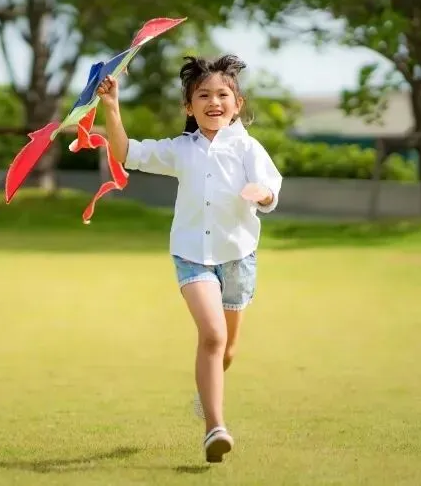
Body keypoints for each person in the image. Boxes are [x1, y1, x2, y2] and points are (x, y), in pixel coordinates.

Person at [96, 54, 282, 464]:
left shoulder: (248, 148)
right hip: (192, 255)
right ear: (188, 106)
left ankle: (206, 393)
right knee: (212, 336)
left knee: (227, 349)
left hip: (238, 256)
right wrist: (111, 106)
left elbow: (271, 187)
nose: (214, 101)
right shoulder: (181, 149)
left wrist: (262, 193)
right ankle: (215, 428)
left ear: (237, 103)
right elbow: (126, 153)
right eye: (203, 95)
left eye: (223, 94)